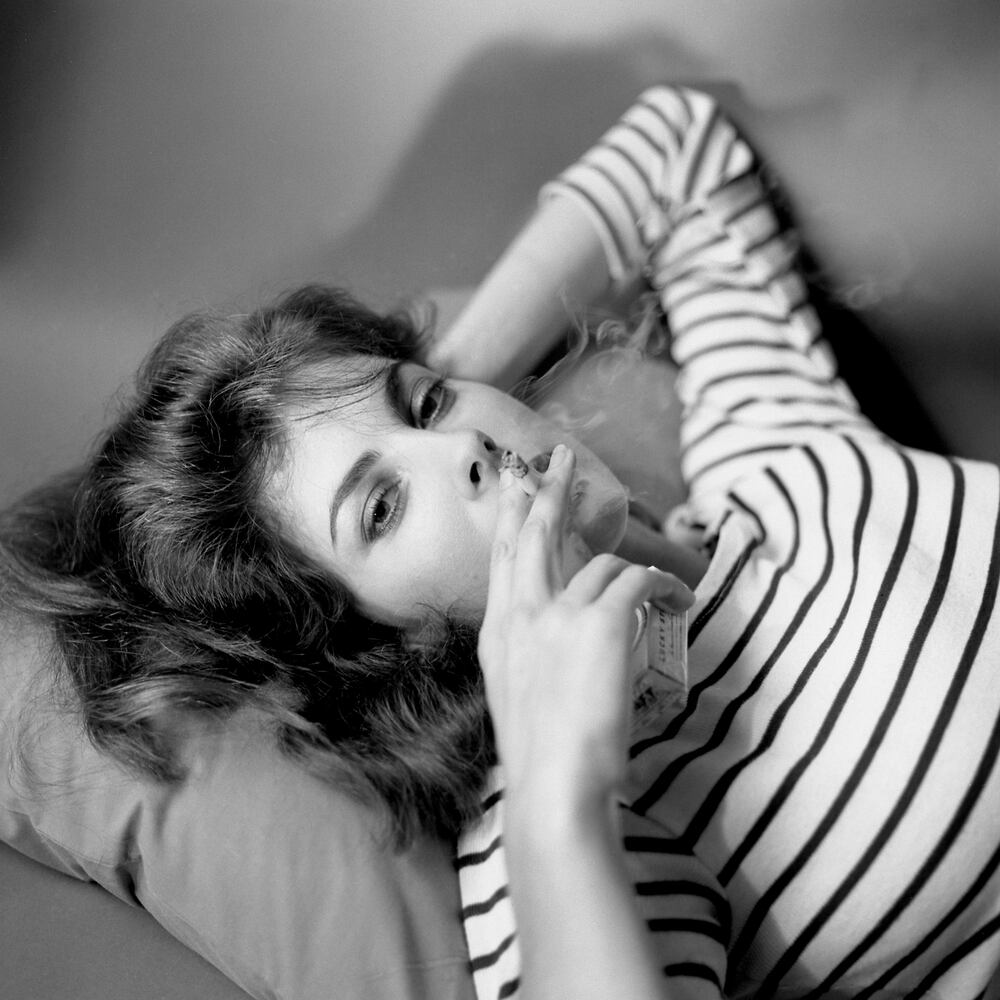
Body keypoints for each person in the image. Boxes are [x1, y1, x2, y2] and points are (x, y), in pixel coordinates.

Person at [0, 85, 996, 1000]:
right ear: (368, 642)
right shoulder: (578, 821)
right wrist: (561, 790)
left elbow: (680, 149)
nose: (463, 451)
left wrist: (439, 378)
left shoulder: (771, 451)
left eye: (427, 405)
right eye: (379, 510)